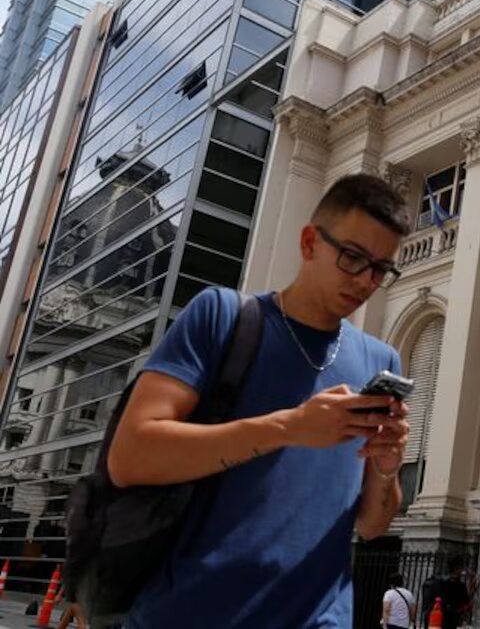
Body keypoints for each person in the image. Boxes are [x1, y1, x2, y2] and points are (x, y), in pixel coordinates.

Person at [106, 174, 412, 627]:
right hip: (189, 614)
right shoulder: (221, 316)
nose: (366, 281)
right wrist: (289, 427)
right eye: (352, 257)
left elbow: (371, 527)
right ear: (309, 243)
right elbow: (129, 458)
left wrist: (387, 468)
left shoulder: (380, 360)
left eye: (381, 269)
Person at [424, 557, 477, 629]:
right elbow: (465, 602)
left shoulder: (439, 582)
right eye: (461, 568)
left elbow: (465, 602)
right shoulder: (455, 585)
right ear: (457, 569)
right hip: (447, 619)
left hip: (441, 620)